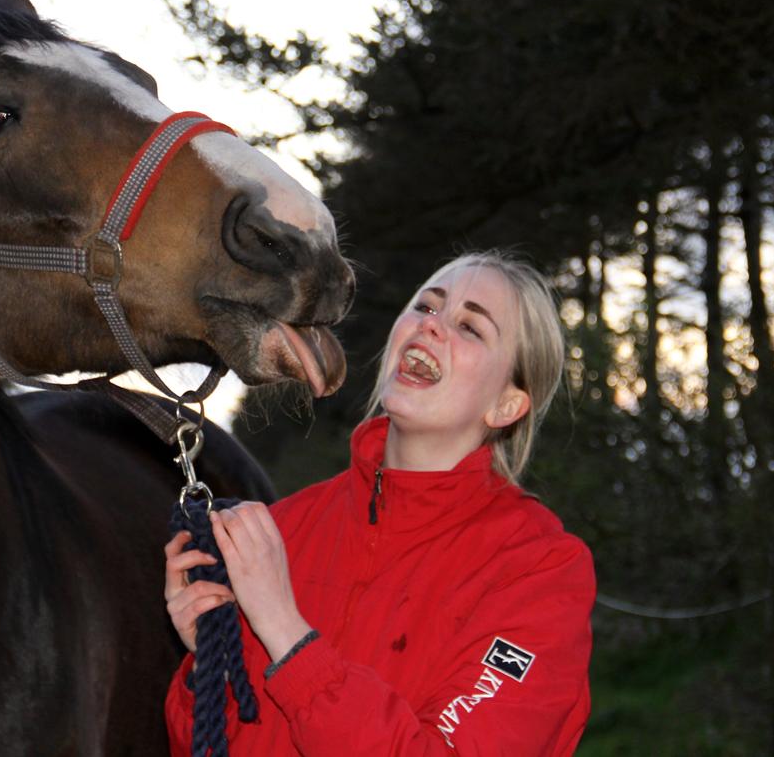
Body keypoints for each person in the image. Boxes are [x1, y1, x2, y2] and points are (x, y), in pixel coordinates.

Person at [163, 250, 595, 755]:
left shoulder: (539, 569)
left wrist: (283, 628)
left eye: (471, 328)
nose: (431, 327)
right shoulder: (282, 530)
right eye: (427, 307)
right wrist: (210, 664)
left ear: (506, 405)